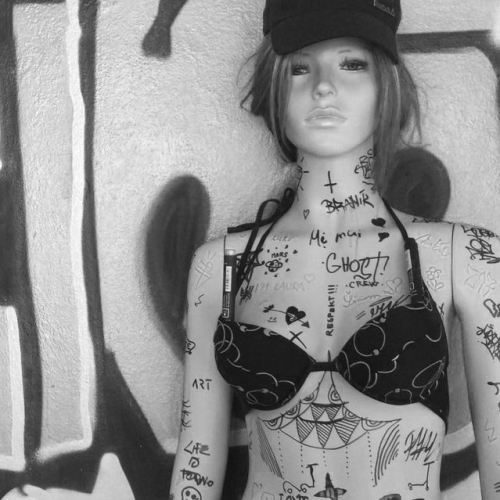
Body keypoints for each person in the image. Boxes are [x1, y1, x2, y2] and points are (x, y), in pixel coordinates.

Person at [170, 1, 500, 499]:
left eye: (351, 64)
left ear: (386, 85)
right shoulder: (220, 266)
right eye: (300, 68)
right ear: (274, 87)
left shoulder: (466, 256)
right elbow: (197, 461)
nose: (324, 86)